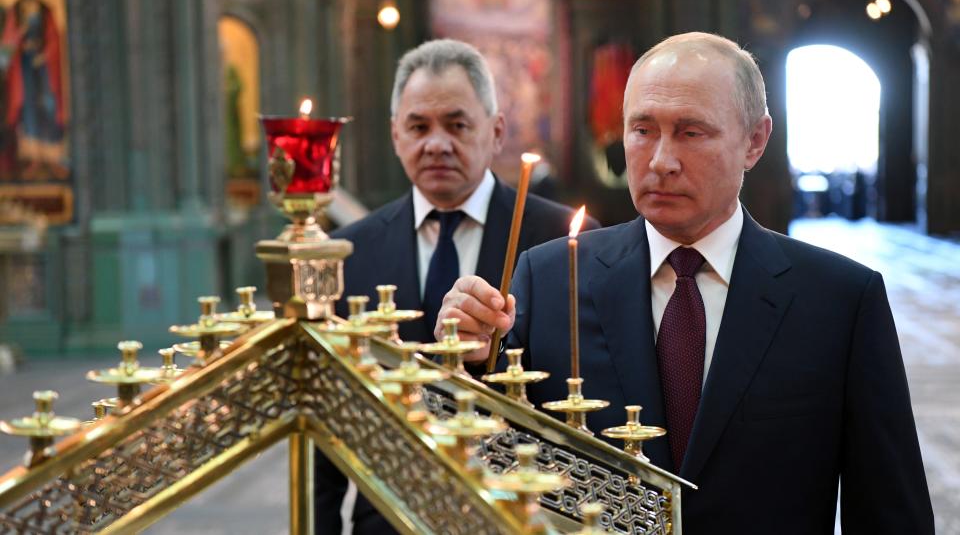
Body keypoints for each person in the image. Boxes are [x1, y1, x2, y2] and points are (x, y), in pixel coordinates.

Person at [439, 32, 934, 533]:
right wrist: (464, 358)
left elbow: (892, 510)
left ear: (755, 141)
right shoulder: (547, 281)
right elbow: (482, 464)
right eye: (642, 130)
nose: (660, 161)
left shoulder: (839, 301)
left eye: (691, 132)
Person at [316, 38, 597, 534]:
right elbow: (329, 423)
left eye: (457, 124)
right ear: (395, 135)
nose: (437, 143)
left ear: (496, 132)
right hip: (387, 519)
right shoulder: (346, 253)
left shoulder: (568, 240)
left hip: (518, 515)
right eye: (419, 127)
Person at [1, 0, 67, 181]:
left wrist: (45, 54)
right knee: (27, 106)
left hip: (44, 64)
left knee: (48, 104)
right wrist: (4, 60)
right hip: (24, 66)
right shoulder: (16, 9)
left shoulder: (44, 9)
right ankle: (32, 157)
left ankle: (52, 156)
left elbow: (53, 37)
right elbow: (10, 39)